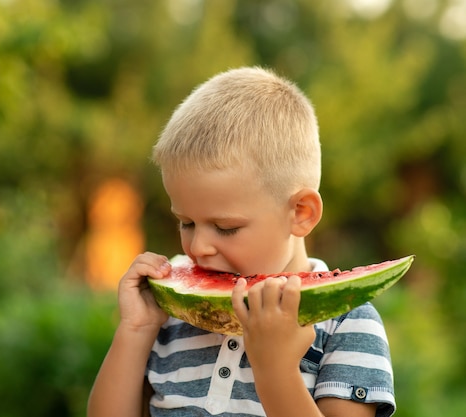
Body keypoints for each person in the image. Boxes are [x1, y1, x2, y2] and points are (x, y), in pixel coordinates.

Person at [87, 67, 395, 417]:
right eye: (185, 222)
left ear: (300, 212)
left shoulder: (347, 323)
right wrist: (137, 329)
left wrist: (275, 368)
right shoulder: (173, 318)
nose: (198, 247)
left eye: (225, 227)